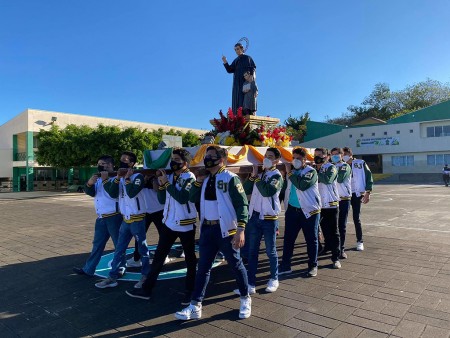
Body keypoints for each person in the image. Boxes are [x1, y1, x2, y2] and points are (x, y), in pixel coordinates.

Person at [175, 145, 251, 320]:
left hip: (226, 229)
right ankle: (195, 305)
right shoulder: (204, 178)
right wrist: (198, 181)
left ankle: (245, 298)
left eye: (211, 156)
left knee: (236, 264)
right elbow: (191, 198)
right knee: (203, 268)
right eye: (206, 155)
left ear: (221, 160)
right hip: (207, 228)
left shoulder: (230, 178)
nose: (207, 158)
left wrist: (241, 229)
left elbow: (242, 204)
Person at [125, 148, 198, 305]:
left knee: (190, 259)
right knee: (158, 257)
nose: (173, 163)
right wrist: (159, 185)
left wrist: (166, 184)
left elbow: (183, 198)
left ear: (185, 163)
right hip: (169, 223)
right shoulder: (170, 176)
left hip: (185, 224)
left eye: (177, 160)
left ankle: (190, 291)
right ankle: (147, 289)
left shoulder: (189, 177)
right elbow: (163, 199)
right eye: (172, 160)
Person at [95, 151, 151, 289]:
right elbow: (113, 193)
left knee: (143, 249)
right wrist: (115, 179)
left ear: (132, 163)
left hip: (137, 219)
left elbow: (132, 193)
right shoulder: (119, 178)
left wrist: (126, 179)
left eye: (125, 160)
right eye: (120, 160)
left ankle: (145, 275)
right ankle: (112, 276)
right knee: (119, 250)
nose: (121, 163)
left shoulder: (138, 176)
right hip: (125, 220)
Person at [72, 155, 126, 277]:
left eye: (103, 163)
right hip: (101, 217)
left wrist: (106, 179)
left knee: (119, 244)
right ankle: (88, 269)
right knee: (97, 244)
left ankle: (120, 267)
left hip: (114, 216)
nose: (101, 166)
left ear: (110, 165)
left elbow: (113, 194)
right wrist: (89, 184)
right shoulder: (99, 178)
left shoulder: (117, 177)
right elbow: (92, 193)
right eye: (99, 163)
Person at [241, 147, 283, 294]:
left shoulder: (277, 176)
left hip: (269, 219)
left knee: (270, 251)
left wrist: (257, 178)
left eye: (270, 157)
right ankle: (250, 282)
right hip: (255, 217)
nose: (266, 158)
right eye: (265, 156)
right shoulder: (260, 175)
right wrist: (253, 176)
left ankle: (274, 278)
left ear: (277, 160)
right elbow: (246, 189)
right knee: (252, 251)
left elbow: (267, 192)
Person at [278, 147, 321, 277]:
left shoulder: (311, 171)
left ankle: (313, 265)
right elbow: (284, 190)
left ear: (305, 160)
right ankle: (285, 265)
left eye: (299, 159)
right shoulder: (290, 173)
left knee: (311, 239)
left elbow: (302, 185)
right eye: (293, 158)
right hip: (292, 210)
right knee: (289, 239)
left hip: (309, 211)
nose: (295, 161)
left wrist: (290, 173)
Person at [126, 175, 170, 268]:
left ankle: (164, 256)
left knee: (163, 235)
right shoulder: (139, 176)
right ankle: (137, 258)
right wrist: (143, 181)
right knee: (139, 235)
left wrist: (153, 179)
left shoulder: (157, 174)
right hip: (145, 210)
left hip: (158, 209)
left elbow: (157, 189)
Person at [315, 148, 341, 269]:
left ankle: (336, 257)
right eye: (316, 156)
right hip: (320, 204)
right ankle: (326, 247)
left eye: (320, 156)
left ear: (326, 156)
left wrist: (319, 169)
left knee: (334, 231)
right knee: (323, 229)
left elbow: (327, 179)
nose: (318, 158)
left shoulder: (332, 167)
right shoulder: (313, 168)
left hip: (331, 204)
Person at [343, 147, 373, 251]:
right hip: (344, 195)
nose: (344, 156)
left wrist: (368, 192)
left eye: (346, 154)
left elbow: (369, 176)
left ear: (351, 154)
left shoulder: (360, 163)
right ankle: (340, 243)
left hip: (357, 194)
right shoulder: (341, 165)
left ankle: (360, 241)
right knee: (342, 220)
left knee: (356, 218)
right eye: (343, 154)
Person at [222, 42, 256, 113]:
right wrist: (225, 62)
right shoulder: (236, 60)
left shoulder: (247, 58)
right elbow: (230, 70)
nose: (236, 51)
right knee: (236, 98)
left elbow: (252, 68)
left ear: (242, 49)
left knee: (244, 97)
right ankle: (236, 113)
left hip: (244, 81)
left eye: (237, 49)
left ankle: (245, 112)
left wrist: (251, 77)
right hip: (236, 82)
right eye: (235, 50)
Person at [330, 147, 352, 259]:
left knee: (341, 225)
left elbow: (339, 179)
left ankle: (341, 248)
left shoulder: (345, 166)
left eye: (337, 154)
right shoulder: (330, 166)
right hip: (333, 200)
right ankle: (332, 247)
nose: (334, 156)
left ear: (342, 155)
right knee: (332, 226)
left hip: (343, 199)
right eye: (332, 154)